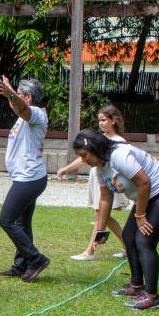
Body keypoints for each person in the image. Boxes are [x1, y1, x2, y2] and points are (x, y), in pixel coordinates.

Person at [73, 129, 159, 310]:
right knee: (128, 236)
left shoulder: (119, 155)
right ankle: (136, 286)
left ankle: (152, 297)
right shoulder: (100, 168)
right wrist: (100, 230)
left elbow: (144, 182)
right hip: (147, 197)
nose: (83, 160)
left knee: (144, 241)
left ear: (94, 148)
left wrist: (140, 216)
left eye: (84, 155)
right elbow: (105, 198)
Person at [0, 76, 51, 282]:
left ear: (28, 97)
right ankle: (21, 265)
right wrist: (11, 94)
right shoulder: (23, 115)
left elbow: (22, 109)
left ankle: (36, 259)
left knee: (6, 220)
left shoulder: (36, 113)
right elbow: (18, 108)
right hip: (26, 177)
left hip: (29, 179)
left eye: (19, 94)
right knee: (21, 222)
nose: (14, 97)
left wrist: (10, 92)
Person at [57, 105, 128, 261]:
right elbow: (84, 157)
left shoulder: (118, 142)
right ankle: (128, 245)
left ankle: (90, 251)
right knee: (101, 214)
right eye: (99, 121)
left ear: (113, 121)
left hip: (110, 182)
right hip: (98, 179)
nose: (101, 124)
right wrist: (67, 168)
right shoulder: (99, 139)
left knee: (101, 214)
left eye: (104, 120)